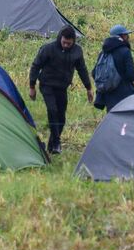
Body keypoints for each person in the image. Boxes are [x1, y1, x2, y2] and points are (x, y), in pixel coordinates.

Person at [28, 26, 92, 155]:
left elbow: (82, 70)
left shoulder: (77, 52)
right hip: (47, 85)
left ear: (73, 41)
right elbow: (36, 66)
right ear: (60, 38)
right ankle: (57, 141)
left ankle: (52, 146)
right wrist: (32, 86)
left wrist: (88, 88)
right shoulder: (48, 49)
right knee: (52, 110)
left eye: (69, 43)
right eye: (64, 42)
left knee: (61, 117)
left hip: (62, 87)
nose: (66, 45)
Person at [93, 24, 134, 112]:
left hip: (109, 94)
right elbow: (130, 73)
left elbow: (94, 72)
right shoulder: (125, 51)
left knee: (113, 119)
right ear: (121, 36)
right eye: (126, 35)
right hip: (124, 92)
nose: (128, 37)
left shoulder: (103, 52)